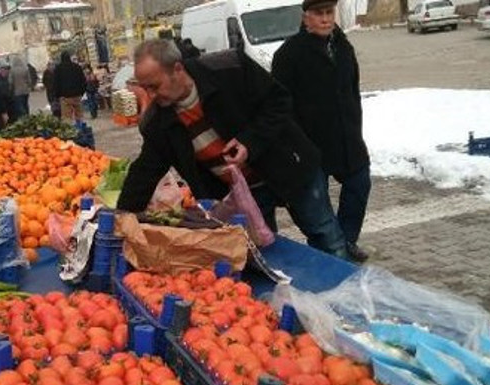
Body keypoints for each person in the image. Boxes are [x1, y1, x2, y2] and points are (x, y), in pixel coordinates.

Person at [117, 40, 347, 258]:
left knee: (326, 235)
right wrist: (120, 219)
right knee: (265, 254)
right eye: (145, 89)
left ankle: (350, 293)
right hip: (243, 194)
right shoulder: (158, 122)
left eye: (155, 86)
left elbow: (279, 102)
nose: (151, 96)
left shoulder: (229, 68)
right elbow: (145, 172)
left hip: (289, 166)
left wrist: (249, 142)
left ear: (177, 69)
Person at [272, 0, 371, 263]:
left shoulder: (343, 46)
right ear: (306, 18)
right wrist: (294, 146)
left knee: (360, 185)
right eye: (319, 14)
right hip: (309, 145)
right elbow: (279, 107)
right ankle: (330, 254)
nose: (326, 19)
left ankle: (346, 241)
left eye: (329, 13)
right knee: (318, 209)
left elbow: (352, 91)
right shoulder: (289, 54)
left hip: (346, 139)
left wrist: (355, 128)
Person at [53, 51, 86, 122]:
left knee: (67, 117)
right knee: (79, 115)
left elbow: (56, 83)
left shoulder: (58, 69)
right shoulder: (77, 67)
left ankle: (70, 132)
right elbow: (83, 80)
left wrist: (57, 95)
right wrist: (82, 92)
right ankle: (80, 129)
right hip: (77, 95)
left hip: (65, 97)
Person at [8, 56, 33, 120]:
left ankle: (23, 117)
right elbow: (29, 80)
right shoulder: (25, 69)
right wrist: (29, 86)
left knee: (20, 106)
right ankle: (28, 116)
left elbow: (10, 81)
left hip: (17, 91)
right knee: (26, 104)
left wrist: (10, 89)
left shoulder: (12, 70)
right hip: (25, 90)